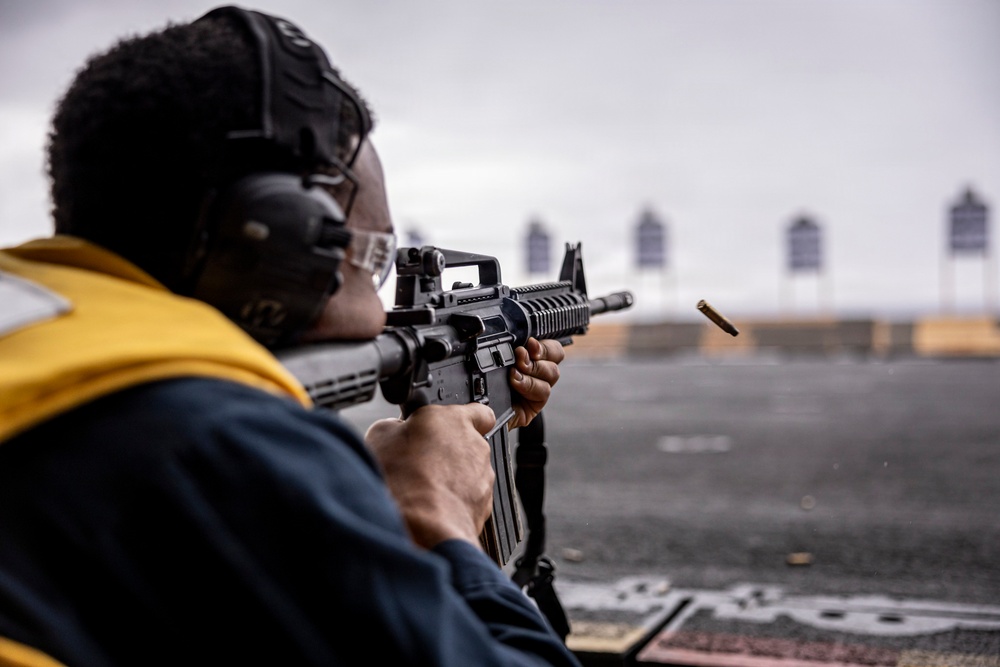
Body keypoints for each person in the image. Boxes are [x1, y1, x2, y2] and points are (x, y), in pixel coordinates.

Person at [0, 6, 579, 666]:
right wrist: (439, 513)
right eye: (373, 253)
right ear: (283, 235)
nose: (377, 312)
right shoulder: (220, 443)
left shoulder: (36, 336)